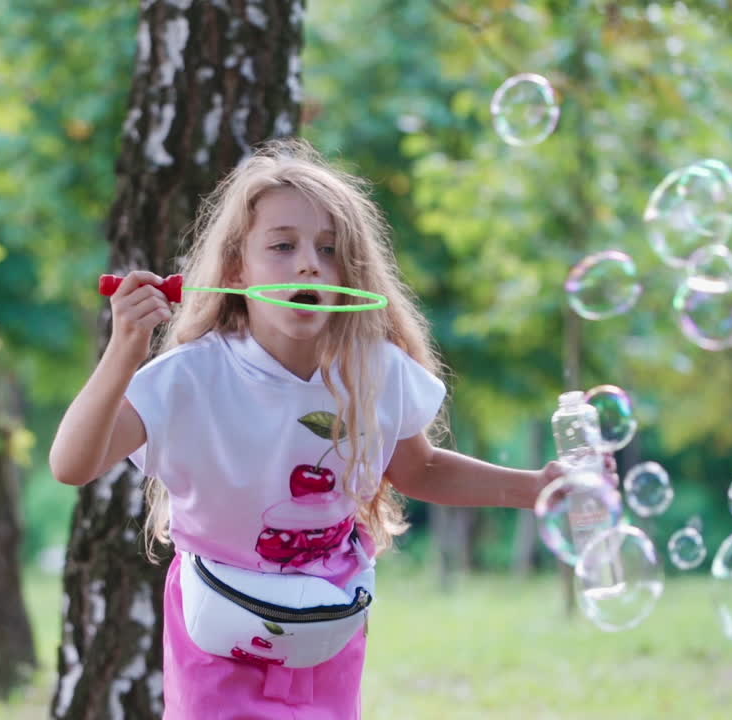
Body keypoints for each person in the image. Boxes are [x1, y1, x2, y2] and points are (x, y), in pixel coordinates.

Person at [49, 138, 604, 719]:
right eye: (283, 246)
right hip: (219, 626)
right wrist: (123, 352)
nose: (309, 262)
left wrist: (536, 486)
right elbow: (72, 464)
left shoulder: (374, 371)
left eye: (330, 249)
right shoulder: (191, 376)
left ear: (352, 272)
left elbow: (422, 468)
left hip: (327, 619)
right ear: (237, 268)